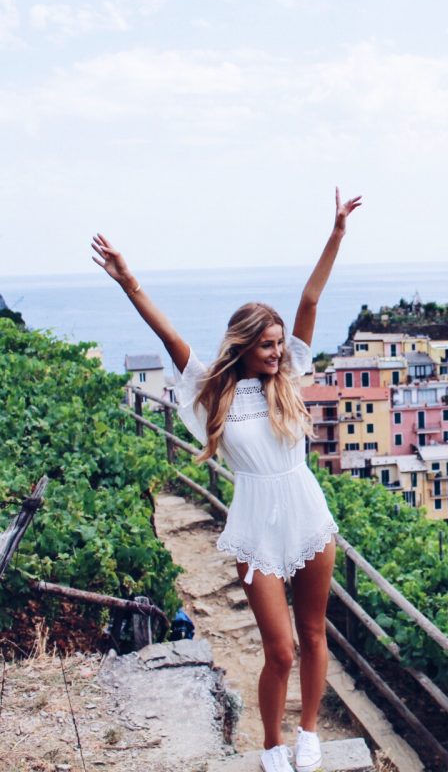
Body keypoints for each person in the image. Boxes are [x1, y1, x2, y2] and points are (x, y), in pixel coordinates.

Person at [92, 188, 362, 772]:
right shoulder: (215, 390)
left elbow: (311, 297)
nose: (275, 353)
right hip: (254, 520)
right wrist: (128, 282)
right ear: (243, 346)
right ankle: (272, 743)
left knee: (315, 636)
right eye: (265, 345)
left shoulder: (287, 376)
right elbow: (170, 340)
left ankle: (309, 731)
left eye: (278, 344)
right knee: (280, 648)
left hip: (306, 510)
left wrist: (336, 233)